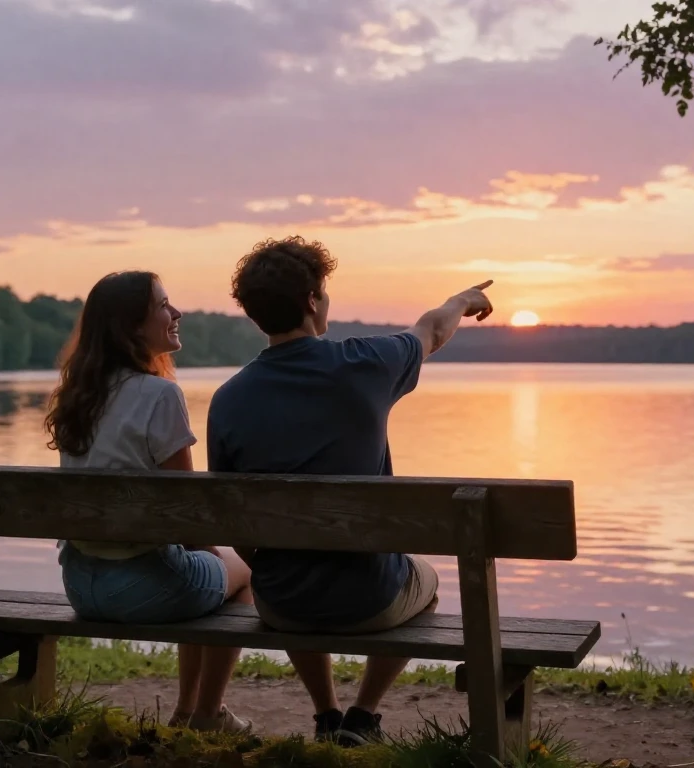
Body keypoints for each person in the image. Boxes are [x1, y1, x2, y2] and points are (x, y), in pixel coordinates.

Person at [206, 237, 493, 745]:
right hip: (371, 598)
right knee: (424, 582)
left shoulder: (227, 401)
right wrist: (463, 300)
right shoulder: (369, 364)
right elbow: (431, 330)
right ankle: (362, 717)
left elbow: (233, 525)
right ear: (313, 301)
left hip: (281, 602)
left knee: (288, 566)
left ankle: (326, 716)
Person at [45, 270, 253, 733]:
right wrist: (217, 549)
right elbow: (187, 511)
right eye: (163, 304)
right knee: (240, 577)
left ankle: (187, 711)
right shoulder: (160, 395)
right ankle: (205, 714)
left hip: (80, 583)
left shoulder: (78, 397)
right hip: (143, 587)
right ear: (131, 325)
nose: (176, 313)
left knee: (199, 565)